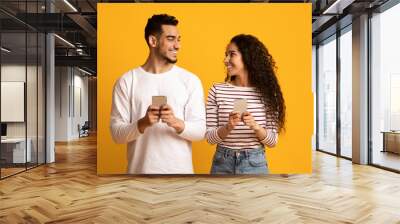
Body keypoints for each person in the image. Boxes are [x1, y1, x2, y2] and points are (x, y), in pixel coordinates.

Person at [110, 14, 206, 174]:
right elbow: (116, 135)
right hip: (139, 176)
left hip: (181, 178)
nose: (177, 46)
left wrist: (175, 122)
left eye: (178, 39)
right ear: (153, 41)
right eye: (170, 39)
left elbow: (200, 131)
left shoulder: (190, 80)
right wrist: (143, 122)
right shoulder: (127, 81)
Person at [205, 34, 285, 174]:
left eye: (232, 54)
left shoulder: (268, 94)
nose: (226, 60)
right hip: (222, 163)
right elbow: (210, 138)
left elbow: (272, 141)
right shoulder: (217, 90)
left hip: (254, 163)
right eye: (226, 55)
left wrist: (255, 126)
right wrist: (228, 127)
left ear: (248, 57)